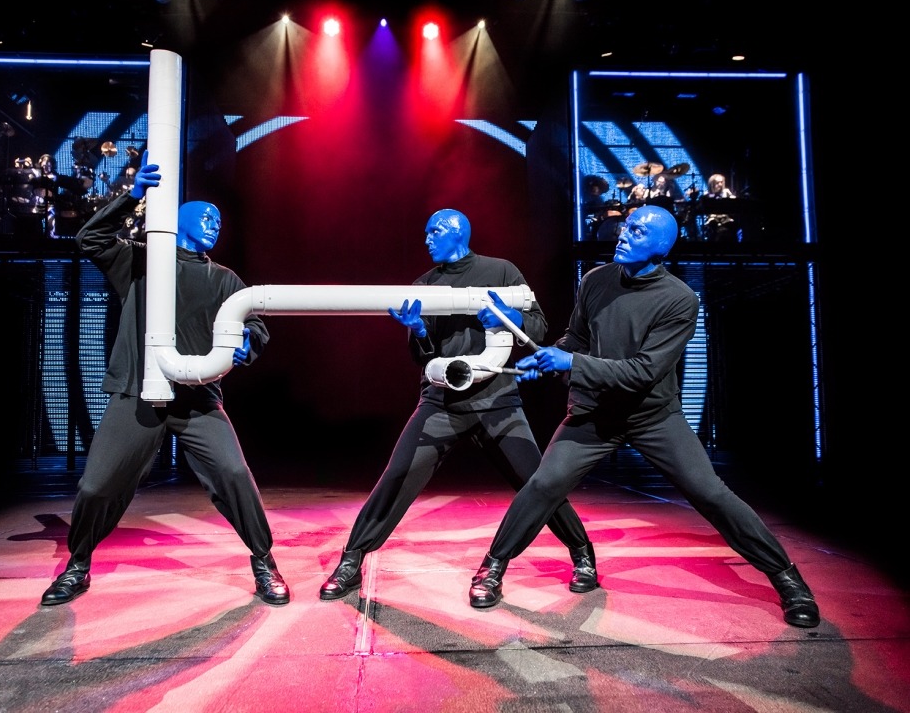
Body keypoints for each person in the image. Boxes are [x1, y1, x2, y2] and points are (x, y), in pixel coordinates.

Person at [466, 205, 820, 628]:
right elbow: (576, 339)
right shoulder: (595, 281)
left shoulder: (679, 300)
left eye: (636, 229)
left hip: (653, 417)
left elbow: (644, 371)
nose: (622, 232)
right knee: (543, 484)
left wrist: (571, 364)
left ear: (662, 246)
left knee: (711, 494)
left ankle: (787, 578)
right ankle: (493, 567)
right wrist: (550, 358)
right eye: (625, 225)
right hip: (595, 414)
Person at [40, 150, 290, 607]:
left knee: (233, 474)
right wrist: (131, 198)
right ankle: (78, 566)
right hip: (137, 393)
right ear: (179, 221)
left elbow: (257, 326)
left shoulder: (226, 280)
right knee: (97, 486)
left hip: (197, 398)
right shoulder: (142, 261)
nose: (214, 222)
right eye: (204, 215)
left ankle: (264, 562)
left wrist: (245, 345)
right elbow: (90, 238)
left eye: (218, 218)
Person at [319, 209, 598, 601]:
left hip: (498, 400)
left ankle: (582, 553)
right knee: (397, 475)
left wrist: (508, 314)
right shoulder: (425, 285)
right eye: (426, 232)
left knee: (539, 483)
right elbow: (425, 356)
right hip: (443, 403)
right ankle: (352, 560)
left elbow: (536, 327)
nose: (427, 239)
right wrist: (417, 330)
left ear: (457, 232)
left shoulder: (502, 272)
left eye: (434, 231)